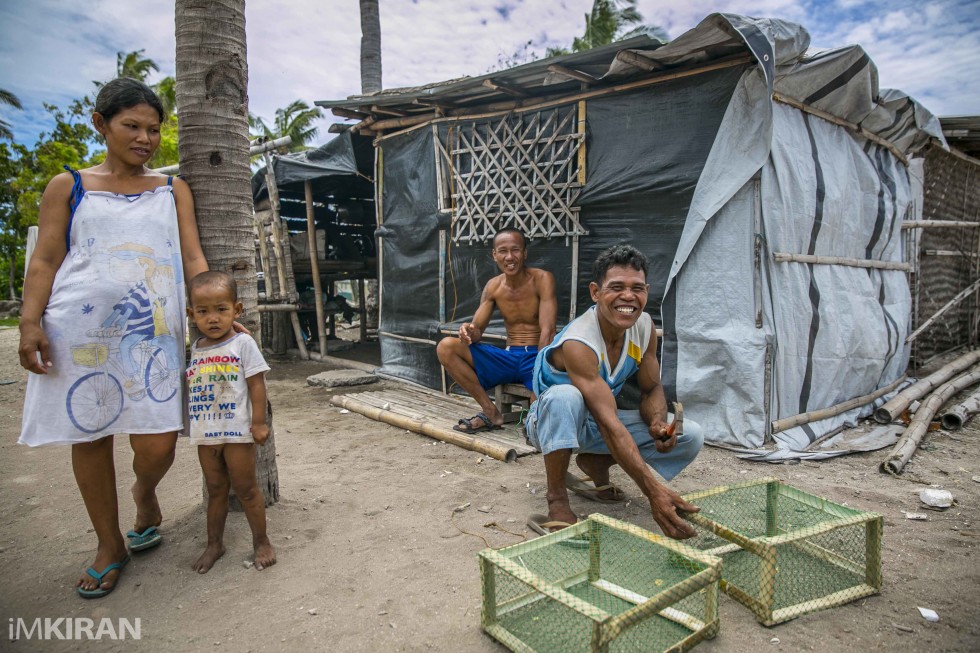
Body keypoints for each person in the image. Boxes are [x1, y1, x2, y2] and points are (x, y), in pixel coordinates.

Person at [18, 78, 215, 598]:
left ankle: (145, 493)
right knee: (91, 435)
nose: (145, 138)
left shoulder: (172, 190)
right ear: (100, 124)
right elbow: (45, 259)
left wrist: (207, 312)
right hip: (78, 329)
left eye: (153, 129)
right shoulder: (69, 186)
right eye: (132, 125)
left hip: (153, 331)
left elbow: (193, 257)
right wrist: (30, 321)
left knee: (158, 442)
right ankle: (110, 545)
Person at [524, 244, 703, 540]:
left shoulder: (644, 326)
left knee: (691, 435)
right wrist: (653, 492)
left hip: (597, 418)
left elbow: (652, 387)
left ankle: (595, 462)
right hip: (548, 423)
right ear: (595, 292)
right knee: (564, 397)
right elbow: (608, 424)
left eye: (637, 288)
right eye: (616, 287)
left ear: (646, 290)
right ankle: (556, 500)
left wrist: (658, 422)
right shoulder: (579, 341)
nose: (628, 297)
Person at [184, 271, 275, 573]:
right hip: (206, 435)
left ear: (236, 310)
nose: (212, 318)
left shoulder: (242, 344)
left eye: (221, 310)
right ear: (191, 314)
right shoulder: (195, 348)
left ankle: (261, 541)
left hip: (236, 433)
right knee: (215, 489)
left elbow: (257, 383)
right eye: (203, 311)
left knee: (247, 488)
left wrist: (259, 423)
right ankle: (214, 544)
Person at [436, 228, 557, 433]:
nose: (509, 257)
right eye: (502, 251)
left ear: (525, 253)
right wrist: (468, 331)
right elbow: (478, 331)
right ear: (494, 255)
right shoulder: (493, 286)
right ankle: (491, 412)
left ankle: (535, 415)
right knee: (446, 347)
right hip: (508, 358)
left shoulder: (542, 279)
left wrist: (539, 374)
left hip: (536, 356)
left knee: (560, 362)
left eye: (515, 250)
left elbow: (548, 331)